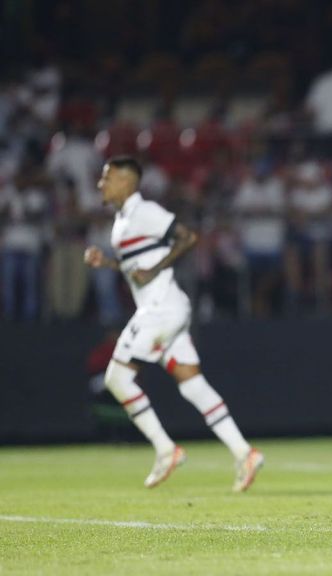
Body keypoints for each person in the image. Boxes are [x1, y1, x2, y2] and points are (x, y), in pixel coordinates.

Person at [84, 156, 263, 491]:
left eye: (107, 178)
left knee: (117, 378)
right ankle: (245, 452)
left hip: (159, 308)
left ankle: (166, 450)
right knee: (193, 385)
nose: (100, 184)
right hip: (168, 307)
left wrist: (156, 269)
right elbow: (138, 267)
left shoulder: (144, 212)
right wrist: (108, 263)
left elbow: (187, 237)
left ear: (126, 182)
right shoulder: (122, 221)